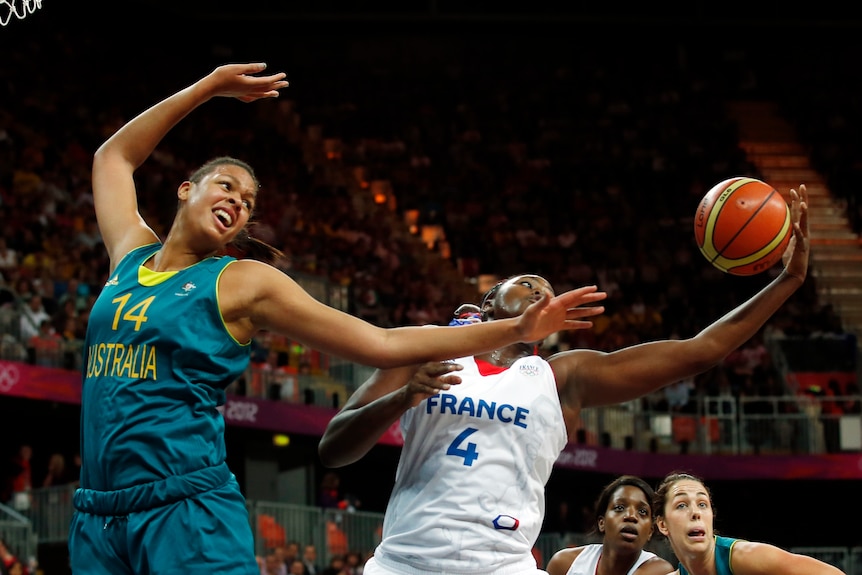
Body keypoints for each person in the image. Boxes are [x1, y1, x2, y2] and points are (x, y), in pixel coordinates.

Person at [67, 62, 606, 575]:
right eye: (226, 186)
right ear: (186, 189)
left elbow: (379, 343)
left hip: (182, 505)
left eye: (249, 201)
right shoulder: (130, 257)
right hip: (96, 510)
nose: (238, 200)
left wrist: (516, 330)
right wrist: (206, 89)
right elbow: (111, 159)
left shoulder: (241, 281)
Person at [318, 185, 810, 574]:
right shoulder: (428, 349)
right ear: (489, 303)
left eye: (548, 290)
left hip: (503, 567)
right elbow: (333, 448)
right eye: (529, 283)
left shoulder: (562, 376)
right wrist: (403, 397)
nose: (542, 292)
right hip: (403, 564)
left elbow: (698, 353)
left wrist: (785, 282)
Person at [653, 471, 845, 575]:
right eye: (681, 505)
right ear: (663, 525)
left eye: (702, 504)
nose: (695, 512)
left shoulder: (748, 558)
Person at [545, 475, 673, 575]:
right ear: (602, 523)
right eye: (619, 507)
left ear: (650, 531)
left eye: (642, 511)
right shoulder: (564, 563)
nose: (631, 516)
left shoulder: (661, 571)